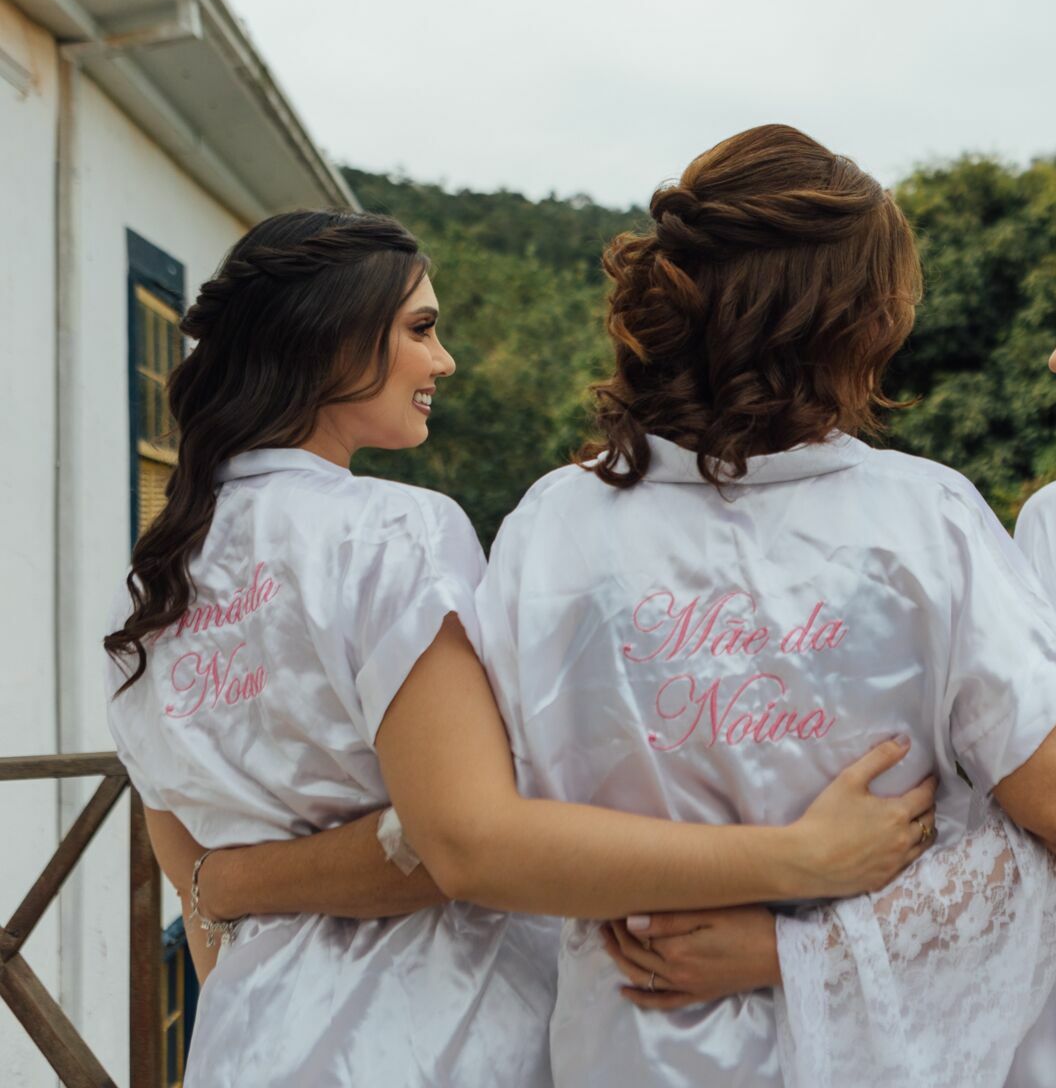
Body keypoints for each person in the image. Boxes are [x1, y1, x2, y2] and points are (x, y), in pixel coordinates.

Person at [479, 127, 1056, 1088]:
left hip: (626, 1048)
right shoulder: (922, 519)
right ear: (851, 322)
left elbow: (472, 835)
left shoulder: (551, 529)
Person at [103, 211, 937, 1087]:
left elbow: (197, 883)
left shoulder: (148, 590)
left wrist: (236, 896)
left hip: (246, 1039)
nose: (444, 359)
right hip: (435, 1035)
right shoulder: (392, 533)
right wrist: (796, 859)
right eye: (420, 329)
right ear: (328, 339)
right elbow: (460, 842)